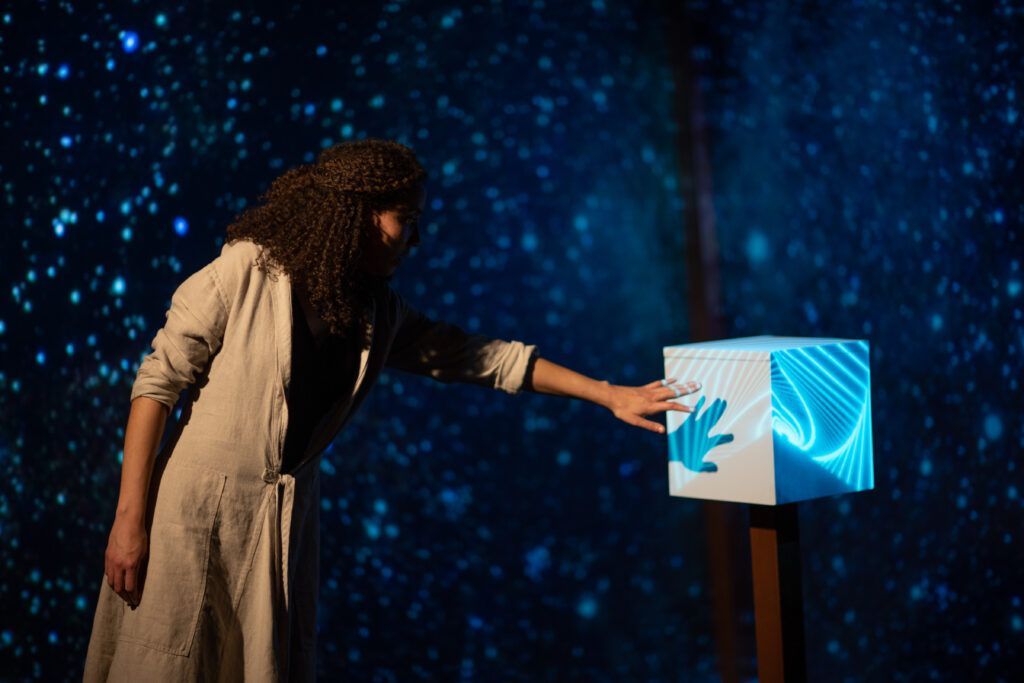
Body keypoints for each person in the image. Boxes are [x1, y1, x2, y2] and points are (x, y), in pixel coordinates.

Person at [83, 139, 700, 681]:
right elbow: (156, 385)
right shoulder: (248, 269)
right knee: (168, 662)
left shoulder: (377, 313)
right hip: (194, 515)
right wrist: (129, 521)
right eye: (406, 218)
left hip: (278, 525)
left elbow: (486, 359)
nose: (414, 238)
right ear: (359, 212)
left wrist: (608, 393)